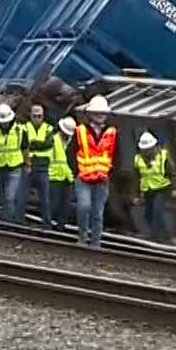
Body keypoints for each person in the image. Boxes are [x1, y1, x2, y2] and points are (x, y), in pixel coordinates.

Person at [71, 95, 117, 250]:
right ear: (90, 113)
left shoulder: (112, 132)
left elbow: (117, 155)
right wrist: (76, 172)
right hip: (83, 178)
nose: (100, 115)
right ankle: (83, 237)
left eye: (102, 112)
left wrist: (110, 173)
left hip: (102, 179)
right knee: (84, 206)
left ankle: (96, 242)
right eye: (97, 112)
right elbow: (71, 152)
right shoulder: (80, 131)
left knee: (98, 213)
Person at [0, 102, 26, 225]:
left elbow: (25, 148)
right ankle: (2, 220)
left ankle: (9, 221)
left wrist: (27, 165)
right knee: (0, 197)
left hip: (15, 167)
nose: (4, 123)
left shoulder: (19, 130)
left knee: (10, 196)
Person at [20, 103, 56, 229]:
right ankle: (18, 223)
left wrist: (32, 144)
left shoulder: (48, 129)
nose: (37, 118)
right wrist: (37, 144)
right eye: (34, 116)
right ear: (30, 116)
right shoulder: (24, 128)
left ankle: (47, 225)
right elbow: (23, 144)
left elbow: (48, 143)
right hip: (28, 167)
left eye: (39, 116)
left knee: (45, 200)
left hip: (43, 168)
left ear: (43, 116)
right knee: (22, 197)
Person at [134, 131, 174, 243]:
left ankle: (156, 237)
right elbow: (136, 177)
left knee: (157, 211)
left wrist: (175, 188)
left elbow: (172, 173)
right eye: (145, 150)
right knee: (148, 214)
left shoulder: (163, 156)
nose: (148, 152)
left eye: (150, 149)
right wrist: (136, 194)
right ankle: (164, 236)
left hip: (162, 188)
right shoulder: (138, 159)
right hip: (148, 190)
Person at [49, 116, 76, 230]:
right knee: (53, 204)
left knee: (65, 206)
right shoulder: (53, 140)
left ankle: (60, 228)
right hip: (54, 177)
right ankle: (49, 227)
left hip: (68, 178)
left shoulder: (73, 142)